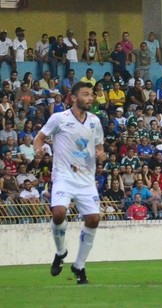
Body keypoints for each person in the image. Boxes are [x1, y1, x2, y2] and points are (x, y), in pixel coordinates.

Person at [34, 82, 106, 285]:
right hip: (64, 175)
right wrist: (39, 149)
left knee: (93, 219)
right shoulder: (59, 118)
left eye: (92, 94)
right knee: (59, 212)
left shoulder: (95, 121)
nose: (90, 98)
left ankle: (79, 266)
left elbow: (100, 146)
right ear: (74, 98)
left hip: (85, 178)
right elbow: (39, 138)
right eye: (86, 94)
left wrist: (101, 153)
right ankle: (60, 251)